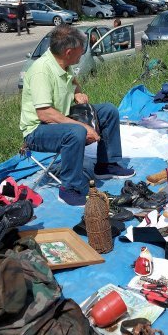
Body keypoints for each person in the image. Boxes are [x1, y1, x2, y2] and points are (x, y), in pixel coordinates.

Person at [19, 25, 134, 206]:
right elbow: (44, 113)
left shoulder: (64, 64)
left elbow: (73, 82)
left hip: (59, 120)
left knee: (108, 110)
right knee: (76, 132)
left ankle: (107, 164)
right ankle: (69, 189)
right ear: (68, 52)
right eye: (81, 51)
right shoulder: (41, 71)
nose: (82, 54)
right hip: (37, 131)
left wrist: (77, 93)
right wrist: (83, 126)